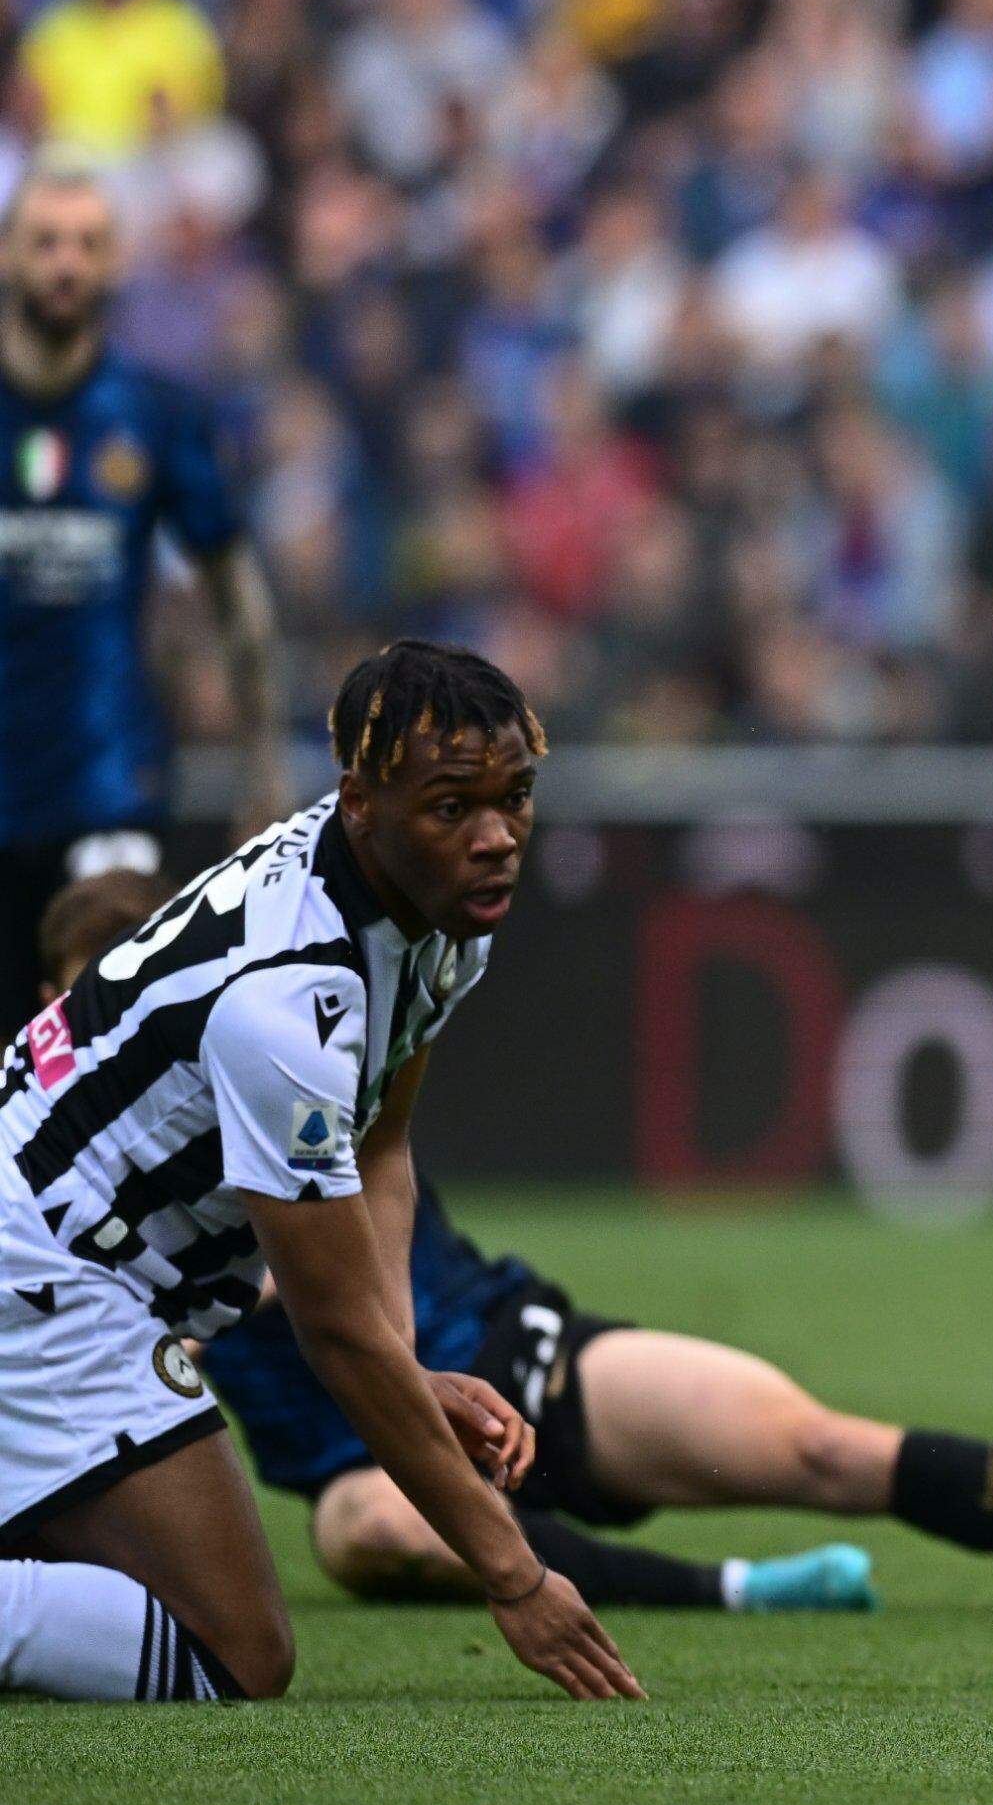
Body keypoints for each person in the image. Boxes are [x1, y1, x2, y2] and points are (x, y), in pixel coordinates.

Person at [31, 871, 993, 1626]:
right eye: (84, 998)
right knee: (365, 1531)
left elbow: (378, 1178)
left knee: (816, 1442)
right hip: (378, 1458)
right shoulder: (84, 1196)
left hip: (520, 1360)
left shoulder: (295, 1035)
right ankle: (737, 1589)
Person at [0, 641, 637, 1700]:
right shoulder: (284, 1002)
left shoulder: (432, 909)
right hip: (45, 1269)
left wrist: (408, 1365)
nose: (496, 837)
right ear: (358, 802)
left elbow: (380, 1141)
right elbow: (329, 1327)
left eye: (515, 796)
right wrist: (514, 1573)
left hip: (72, 1262)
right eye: (452, 806)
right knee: (236, 1653)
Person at [0, 160, 285, 1004]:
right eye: (46, 241)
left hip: (110, 783)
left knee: (108, 1044)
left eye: (88, 243)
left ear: (117, 262)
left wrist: (262, 770)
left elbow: (238, 595)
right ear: (8, 256)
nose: (66, 263)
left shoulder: (153, 414)